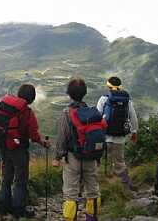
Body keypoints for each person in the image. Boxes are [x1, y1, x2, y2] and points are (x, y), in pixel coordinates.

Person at [0, 84, 50, 218]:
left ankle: (4, 206)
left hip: (4, 145)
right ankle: (18, 209)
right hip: (19, 149)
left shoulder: (7, 107)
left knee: (6, 176)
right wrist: (43, 142)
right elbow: (34, 135)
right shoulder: (27, 112)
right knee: (21, 179)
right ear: (32, 98)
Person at [53, 78, 105, 221]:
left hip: (73, 158)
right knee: (93, 191)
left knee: (71, 193)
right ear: (85, 93)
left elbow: (62, 137)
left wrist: (57, 158)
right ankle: (92, 218)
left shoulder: (66, 113)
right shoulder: (93, 113)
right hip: (91, 156)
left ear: (69, 94)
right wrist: (98, 157)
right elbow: (98, 136)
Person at [96, 77, 138, 191]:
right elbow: (133, 117)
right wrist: (134, 132)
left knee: (103, 161)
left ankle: (102, 185)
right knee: (119, 162)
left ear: (108, 87)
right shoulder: (127, 101)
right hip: (119, 138)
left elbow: (97, 117)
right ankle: (125, 185)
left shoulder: (103, 99)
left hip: (105, 137)